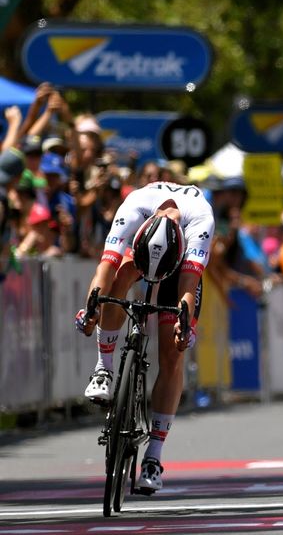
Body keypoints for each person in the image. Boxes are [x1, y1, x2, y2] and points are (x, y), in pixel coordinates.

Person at [75, 179, 215, 492]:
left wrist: (184, 326)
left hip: (177, 270)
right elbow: (103, 270)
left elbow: (189, 287)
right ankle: (104, 369)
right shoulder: (134, 205)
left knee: (172, 354)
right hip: (137, 256)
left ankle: (153, 456)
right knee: (119, 277)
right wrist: (90, 308)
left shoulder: (201, 221)